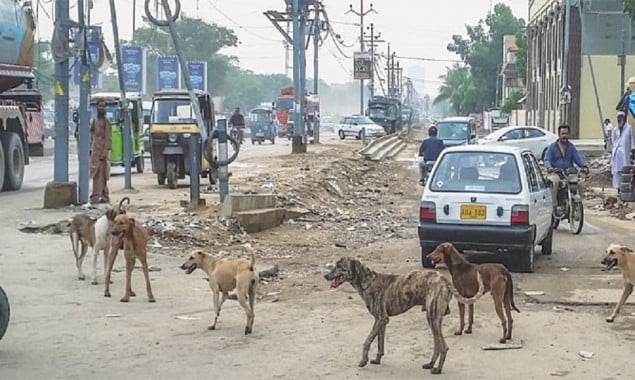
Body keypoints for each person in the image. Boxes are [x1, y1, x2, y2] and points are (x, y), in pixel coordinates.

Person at [544, 124, 589, 212]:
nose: (565, 136)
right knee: (554, 182)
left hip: (568, 174)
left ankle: (574, 204)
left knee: (577, 183)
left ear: (569, 134)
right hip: (556, 173)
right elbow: (547, 159)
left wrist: (584, 166)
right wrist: (549, 167)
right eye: (563, 134)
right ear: (559, 135)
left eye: (566, 134)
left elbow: (578, 158)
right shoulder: (552, 147)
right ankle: (554, 206)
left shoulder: (571, 147)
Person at [89, 99, 112, 204]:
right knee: (95, 175)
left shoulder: (107, 122)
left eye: (103, 106)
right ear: (97, 107)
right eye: (100, 106)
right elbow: (92, 134)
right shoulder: (95, 121)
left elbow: (108, 138)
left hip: (102, 152)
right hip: (95, 151)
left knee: (102, 175)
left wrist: (105, 152)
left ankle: (99, 196)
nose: (102, 108)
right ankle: (101, 196)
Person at [610, 111, 633, 190]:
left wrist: (632, 149)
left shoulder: (629, 128)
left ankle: (624, 188)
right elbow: (613, 141)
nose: (619, 119)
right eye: (618, 118)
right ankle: (617, 187)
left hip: (625, 153)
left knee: (625, 170)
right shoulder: (615, 129)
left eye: (621, 117)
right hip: (617, 154)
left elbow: (632, 140)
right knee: (616, 171)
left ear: (624, 118)